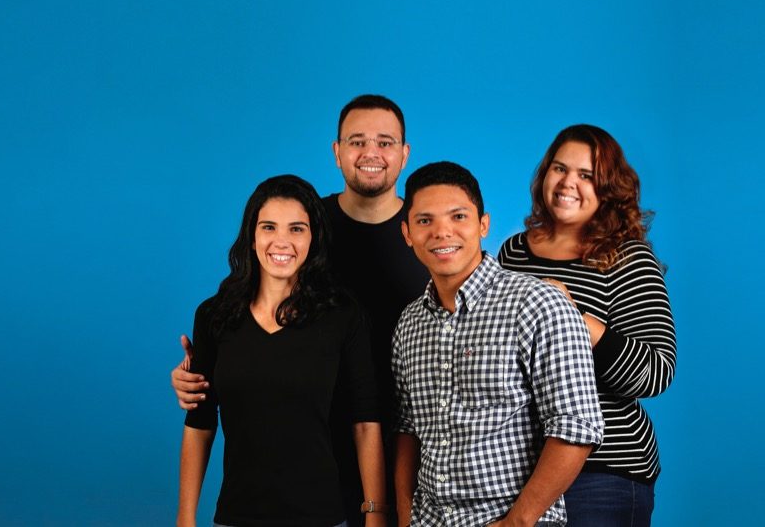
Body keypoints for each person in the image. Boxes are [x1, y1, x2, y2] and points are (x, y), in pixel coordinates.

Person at [173, 95, 425, 525]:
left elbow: (474, 299)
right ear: (337, 151)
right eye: (357, 140)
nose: (371, 153)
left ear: (404, 154)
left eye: (385, 142)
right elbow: (209, 400)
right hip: (299, 456)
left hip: (404, 447)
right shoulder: (308, 214)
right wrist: (194, 378)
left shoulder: (427, 232)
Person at [392, 162, 603, 527]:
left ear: (483, 225)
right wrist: (405, 516)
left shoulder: (537, 305)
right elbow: (408, 428)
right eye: (425, 221)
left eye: (458, 216)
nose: (442, 232)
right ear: (407, 233)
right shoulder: (410, 323)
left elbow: (577, 427)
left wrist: (516, 522)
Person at [177, 175, 388, 527]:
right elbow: (199, 423)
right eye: (269, 227)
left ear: (313, 238)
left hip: (322, 516)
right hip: (237, 515)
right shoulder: (215, 316)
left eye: (296, 229)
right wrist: (185, 518)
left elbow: (365, 423)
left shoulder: (342, 315)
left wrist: (375, 514)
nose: (282, 241)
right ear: (252, 235)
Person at [497, 126, 675, 527]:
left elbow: (657, 373)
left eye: (586, 175)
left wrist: (578, 322)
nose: (568, 183)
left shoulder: (628, 258)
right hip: (523, 470)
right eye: (560, 169)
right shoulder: (514, 252)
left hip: (604, 470)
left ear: (608, 188)